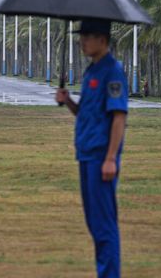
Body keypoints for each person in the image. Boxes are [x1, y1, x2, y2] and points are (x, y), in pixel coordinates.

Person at [56, 19, 128, 278]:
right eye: (81, 36)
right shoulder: (91, 72)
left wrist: (111, 158)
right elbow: (86, 113)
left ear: (103, 40)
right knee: (94, 223)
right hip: (86, 155)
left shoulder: (112, 71)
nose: (82, 41)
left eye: (87, 36)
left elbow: (119, 117)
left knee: (104, 224)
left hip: (101, 158)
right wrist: (68, 102)